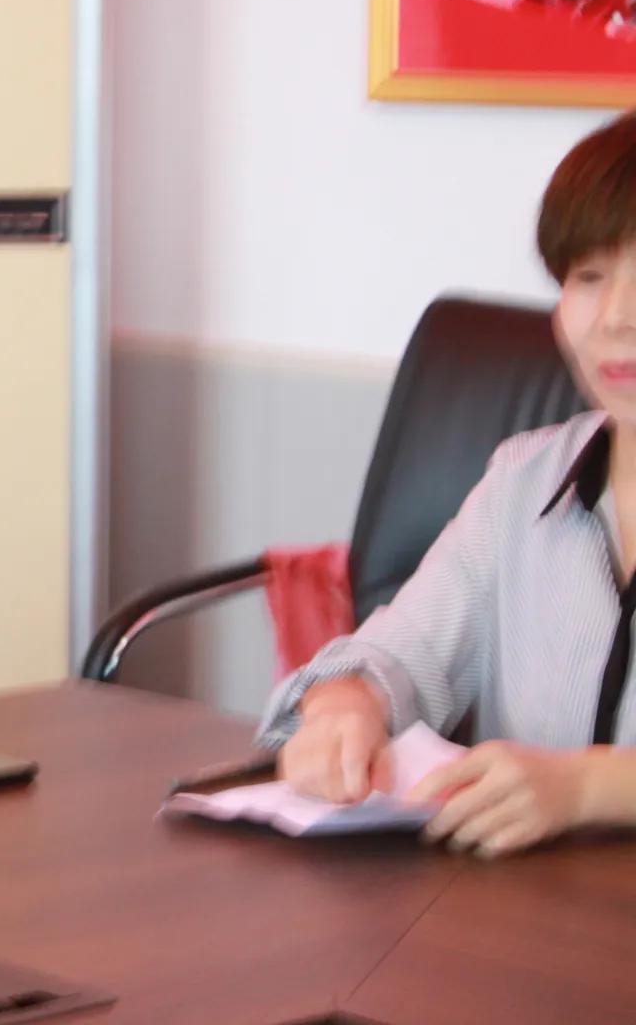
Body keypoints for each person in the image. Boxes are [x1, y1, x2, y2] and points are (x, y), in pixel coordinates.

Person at [263, 108, 636, 857]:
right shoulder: (525, 483)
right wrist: (346, 705)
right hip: (519, 913)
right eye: (588, 278)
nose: (615, 319)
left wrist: (590, 789)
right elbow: (402, 655)